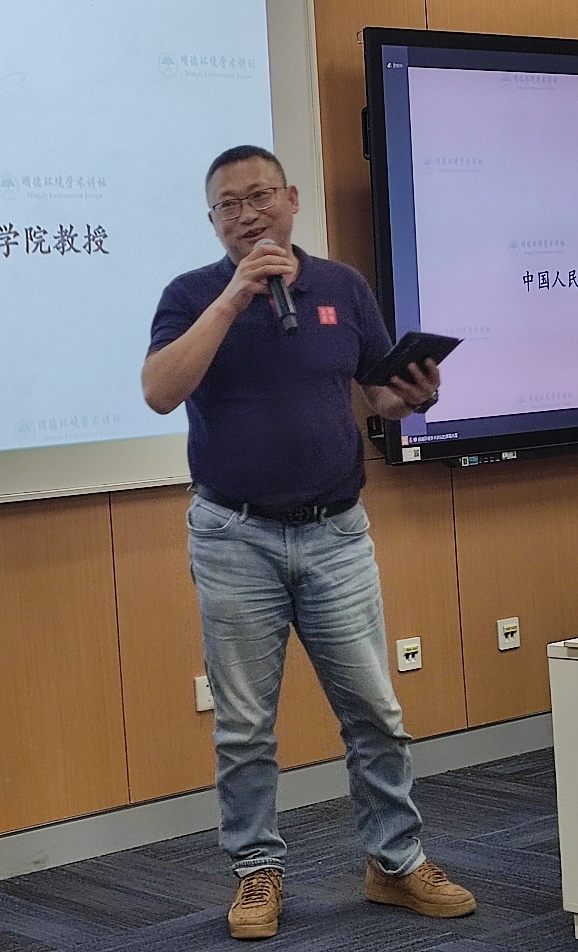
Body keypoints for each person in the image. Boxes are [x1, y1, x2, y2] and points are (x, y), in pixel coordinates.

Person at [141, 145, 476, 940]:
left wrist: (414, 395)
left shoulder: (342, 287)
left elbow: (380, 394)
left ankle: (395, 862)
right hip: (234, 536)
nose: (247, 214)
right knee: (244, 726)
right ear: (213, 220)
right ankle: (257, 872)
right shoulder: (190, 295)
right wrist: (234, 297)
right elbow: (159, 391)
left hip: (336, 535)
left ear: (291, 199)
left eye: (260, 196)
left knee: (374, 711)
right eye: (228, 205)